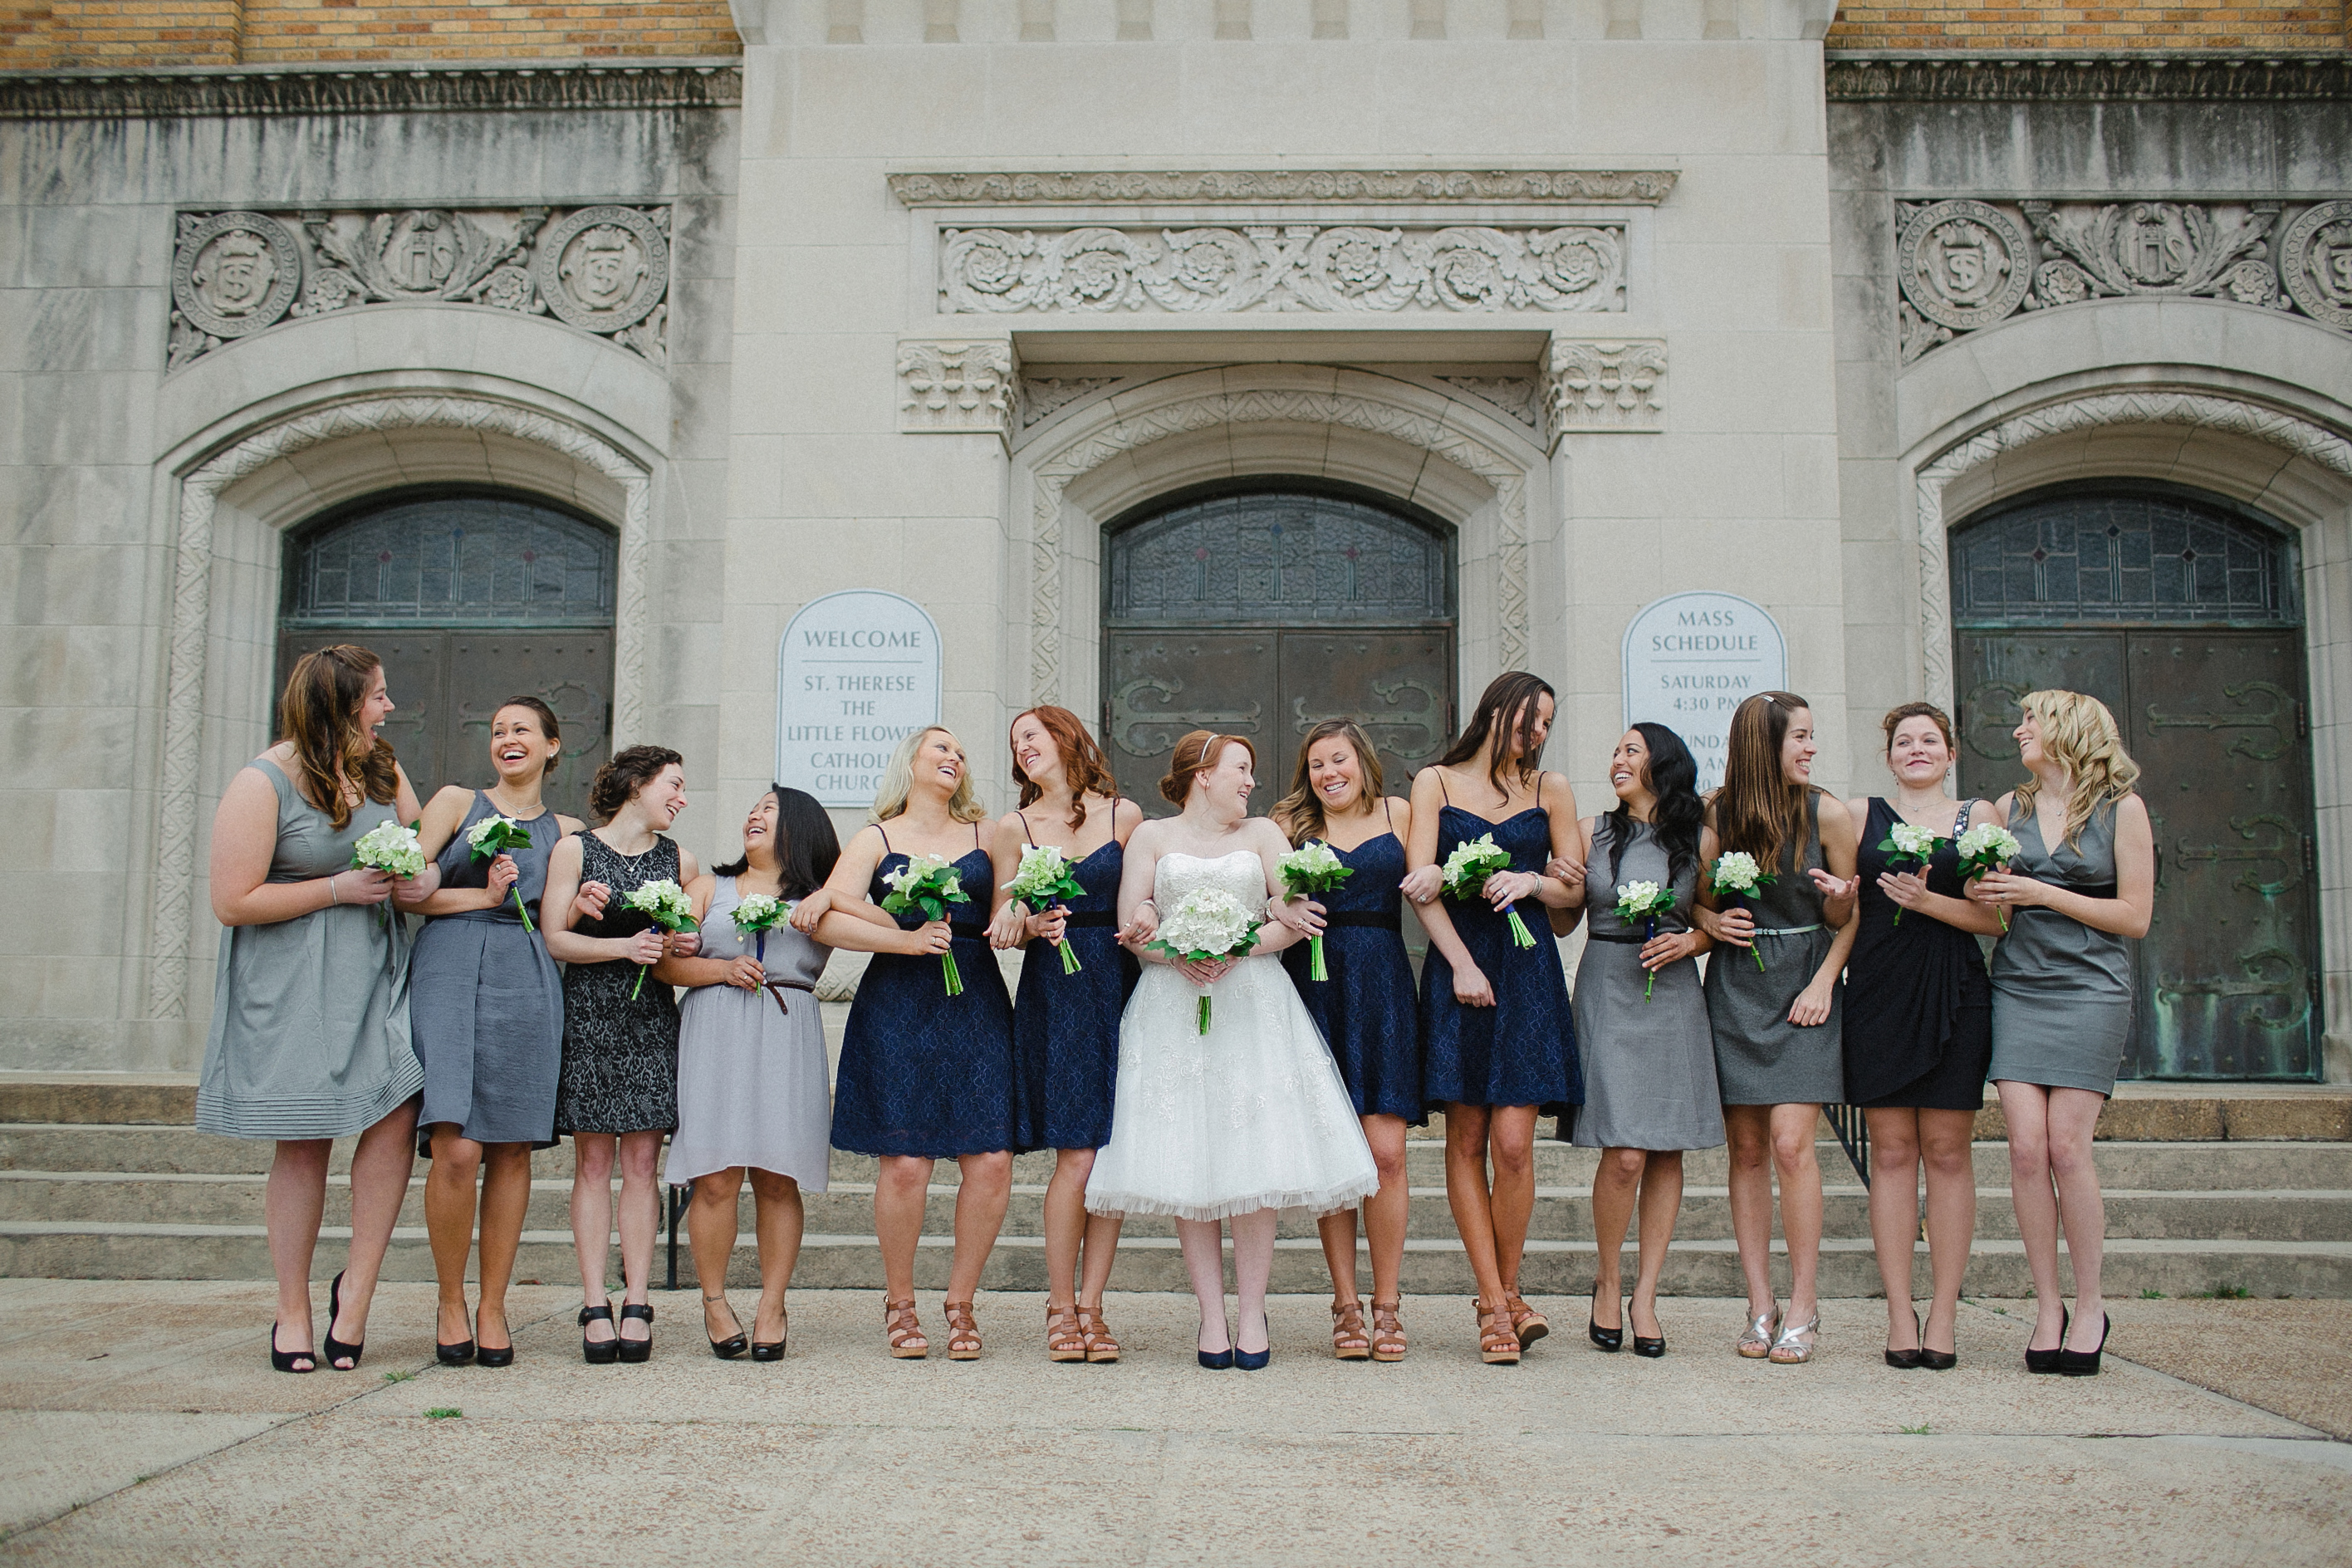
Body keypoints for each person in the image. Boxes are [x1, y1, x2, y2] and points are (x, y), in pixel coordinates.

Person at [1086, 731, 1378, 1372]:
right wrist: (1174, 952)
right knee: (1188, 1161)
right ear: (1203, 774)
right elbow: (1133, 924)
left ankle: (1251, 1313)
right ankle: (1210, 1316)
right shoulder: (1152, 838)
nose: (1251, 782)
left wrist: (1235, 947)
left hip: (1253, 1007)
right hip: (1172, 1007)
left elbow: (1288, 915)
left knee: (1255, 1162)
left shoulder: (1266, 836)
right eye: (1241, 770)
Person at [198, 644, 432, 1373]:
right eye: (377, 696)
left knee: (397, 1117)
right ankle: (292, 1310)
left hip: (380, 976)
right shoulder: (262, 781)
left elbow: (420, 855)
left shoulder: (383, 772)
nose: (388, 707)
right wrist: (337, 889)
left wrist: (414, 883)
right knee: (302, 1145)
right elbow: (232, 900)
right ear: (338, 704)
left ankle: (356, 1294)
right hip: (293, 985)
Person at [1969, 690, 2154, 1378]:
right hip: (2018, 986)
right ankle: (2046, 1305)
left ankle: (2091, 1303)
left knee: (2069, 1150)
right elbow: (1990, 899)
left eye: (2031, 721)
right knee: (2024, 1149)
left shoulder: (2121, 810)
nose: (2019, 730)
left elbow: (2135, 915)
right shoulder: (2008, 810)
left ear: (2069, 730)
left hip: (2089, 990)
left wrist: (2041, 893)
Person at [819, 727, 1017, 1360]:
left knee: (990, 1158)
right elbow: (829, 912)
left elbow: (1009, 909)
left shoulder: (990, 834)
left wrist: (1029, 918)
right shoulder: (875, 838)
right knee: (906, 1163)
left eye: (961, 751)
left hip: (976, 1001)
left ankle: (961, 1303)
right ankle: (900, 1302)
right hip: (898, 1002)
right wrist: (904, 938)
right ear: (910, 763)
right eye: (941, 748)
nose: (954, 757)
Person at [1404, 672, 1583, 1365]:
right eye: (1531, 719)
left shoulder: (1551, 790)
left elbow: (1576, 884)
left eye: (1548, 723)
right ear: (1496, 711)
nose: (1538, 734)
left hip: (1529, 965)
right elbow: (1422, 883)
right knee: (1467, 1137)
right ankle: (1494, 1302)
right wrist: (1460, 966)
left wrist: (1534, 880)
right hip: (1461, 965)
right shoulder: (1435, 784)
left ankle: (1506, 1294)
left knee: (1514, 1143)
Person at [408, 696, 579, 1367]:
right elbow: (408, 887)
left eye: (522, 730)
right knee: (455, 1143)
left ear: (552, 746)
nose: (508, 739)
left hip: (529, 973)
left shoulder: (567, 830)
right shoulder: (455, 802)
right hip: (451, 962)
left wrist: (589, 904)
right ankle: (451, 1299)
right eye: (498, 730)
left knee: (511, 1146)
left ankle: (494, 1304)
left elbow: (565, 917)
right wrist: (479, 896)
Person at [1695, 692, 1858, 1365]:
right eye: (1800, 737)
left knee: (1793, 1145)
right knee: (1747, 1152)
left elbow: (1850, 917)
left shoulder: (1830, 813)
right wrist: (1710, 923)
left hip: (1804, 991)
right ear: (1764, 745)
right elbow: (1696, 903)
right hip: (1737, 987)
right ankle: (1760, 1302)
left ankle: (1804, 1302)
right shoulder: (1716, 813)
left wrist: (1825, 980)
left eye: (1812, 737)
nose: (1811, 748)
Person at [1840, 703, 2002, 1370]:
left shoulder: (1979, 818)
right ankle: (1899, 1309)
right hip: (1877, 992)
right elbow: (1839, 904)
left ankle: (1944, 1311)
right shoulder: (1858, 815)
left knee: (1948, 1151)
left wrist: (1928, 901)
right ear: (1888, 756)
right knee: (1892, 1151)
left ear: (1950, 752)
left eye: (1928, 740)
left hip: (1955, 993)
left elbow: (1998, 921)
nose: (1916, 749)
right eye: (1903, 741)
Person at [1551, 723, 1720, 1359]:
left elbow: (1711, 916)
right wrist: (1555, 881)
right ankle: (1608, 1276)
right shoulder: (1593, 830)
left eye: (1631, 750)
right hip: (1607, 984)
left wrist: (1692, 941)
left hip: (1672, 992)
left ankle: (1647, 1293)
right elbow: (1567, 918)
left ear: (1662, 763)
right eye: (1615, 749)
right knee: (1623, 1152)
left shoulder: (1700, 837)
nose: (1617, 759)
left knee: (1666, 1149)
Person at [661, 785, 841, 1362]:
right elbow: (667, 964)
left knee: (777, 1175)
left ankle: (772, 1304)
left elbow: (875, 924)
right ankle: (714, 1302)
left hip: (786, 1032)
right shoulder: (705, 888)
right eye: (752, 808)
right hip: (714, 1030)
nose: (754, 815)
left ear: (800, 827)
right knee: (715, 1177)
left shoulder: (819, 900)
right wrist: (716, 968)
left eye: (769, 808)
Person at [989, 707, 1143, 1363]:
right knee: (1076, 1155)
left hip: (1120, 983)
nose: (1024, 746)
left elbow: (1147, 896)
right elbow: (1006, 914)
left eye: (1034, 734)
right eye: (1016, 741)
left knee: (1109, 1154)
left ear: (1069, 738)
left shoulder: (1125, 817)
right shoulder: (1013, 828)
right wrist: (1025, 923)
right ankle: (1059, 1307)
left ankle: (1093, 1307)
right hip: (1056, 989)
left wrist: (1146, 918)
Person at [541, 745, 699, 1365]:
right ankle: (593, 1301)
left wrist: (678, 944)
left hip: (650, 1021)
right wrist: (621, 950)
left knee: (641, 1164)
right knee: (592, 1164)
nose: (682, 798)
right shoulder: (576, 850)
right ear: (636, 785)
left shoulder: (677, 860)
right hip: (589, 1016)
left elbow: (678, 949)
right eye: (675, 785)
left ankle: (637, 1299)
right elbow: (555, 938)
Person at [1269, 719, 1421, 1362]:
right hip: (1316, 984)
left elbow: (1428, 889)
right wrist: (1281, 909)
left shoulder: (1401, 812)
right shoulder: (1288, 828)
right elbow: (1263, 897)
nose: (1329, 773)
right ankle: (1346, 1304)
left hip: (1384, 984)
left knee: (1386, 1152)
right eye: (1317, 765)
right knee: (1335, 1153)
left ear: (1363, 761)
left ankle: (1387, 1303)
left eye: (1339, 760)